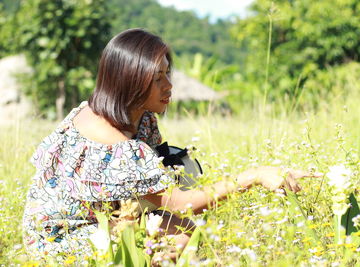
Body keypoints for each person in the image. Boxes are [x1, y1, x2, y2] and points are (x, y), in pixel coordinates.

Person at [22, 28, 319, 261]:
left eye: (167, 74)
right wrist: (254, 175)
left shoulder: (129, 116)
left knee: (173, 215)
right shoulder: (119, 145)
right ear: (130, 80)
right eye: (156, 78)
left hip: (94, 220)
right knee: (180, 233)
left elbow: (156, 173)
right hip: (60, 242)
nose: (168, 86)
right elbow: (183, 204)